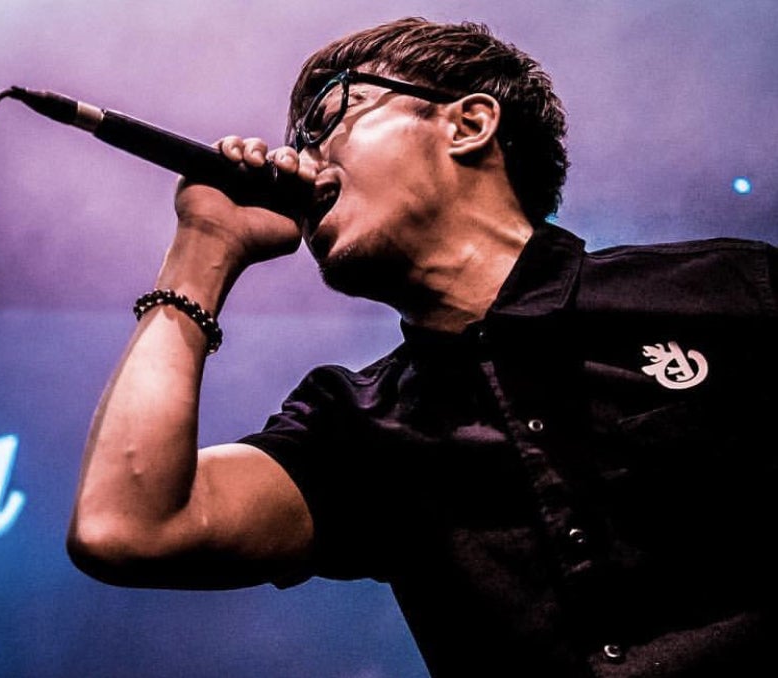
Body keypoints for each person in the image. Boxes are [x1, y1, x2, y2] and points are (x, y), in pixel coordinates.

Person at [66, 16, 778, 677]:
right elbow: (127, 527)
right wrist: (202, 248)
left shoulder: (732, 290)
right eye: (296, 141)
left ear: (468, 124)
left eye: (328, 117)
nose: (295, 160)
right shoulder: (355, 424)